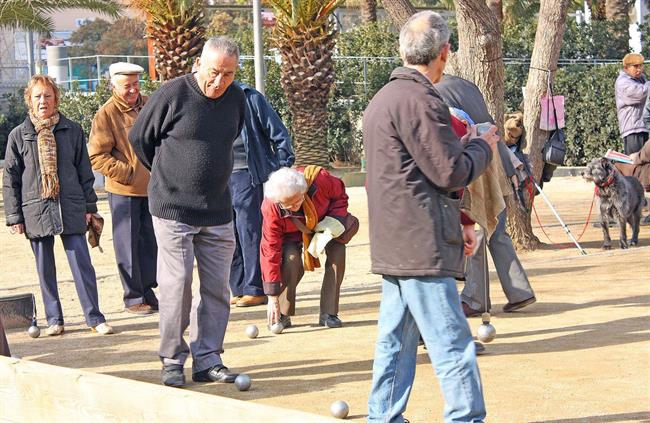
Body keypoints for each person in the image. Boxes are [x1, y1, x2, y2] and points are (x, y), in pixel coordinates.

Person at [363, 11, 498, 423]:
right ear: (444, 52)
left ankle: (383, 415)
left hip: (396, 239)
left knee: (397, 339)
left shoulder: (382, 99)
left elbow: (412, 176)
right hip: (420, 243)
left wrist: (459, 218)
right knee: (451, 341)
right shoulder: (421, 101)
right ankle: (465, 417)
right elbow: (450, 170)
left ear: (404, 51)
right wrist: (482, 145)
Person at [129, 36, 245, 388]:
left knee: (217, 290)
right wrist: (168, 177)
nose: (219, 81)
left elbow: (230, 137)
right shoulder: (172, 94)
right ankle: (172, 358)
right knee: (177, 285)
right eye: (213, 72)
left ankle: (208, 358)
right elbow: (140, 139)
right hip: (173, 209)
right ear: (198, 64)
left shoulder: (237, 99)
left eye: (227, 74)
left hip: (217, 211)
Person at [3, 75, 114, 336]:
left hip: (71, 206)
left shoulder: (72, 130)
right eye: (38, 96)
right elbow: (11, 178)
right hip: (35, 209)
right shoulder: (19, 135)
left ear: (56, 99)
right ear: (29, 100)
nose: (43, 101)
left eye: (48, 96)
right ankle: (55, 320)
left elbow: (84, 172)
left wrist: (90, 207)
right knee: (45, 268)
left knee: (82, 264)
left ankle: (95, 317)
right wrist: (14, 216)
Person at [435, 75, 536, 316]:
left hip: (474, 167)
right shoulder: (466, 85)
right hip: (498, 165)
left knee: (475, 234)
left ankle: (474, 298)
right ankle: (520, 292)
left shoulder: (432, 92)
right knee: (498, 232)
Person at [88, 62, 158, 315]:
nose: (132, 90)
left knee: (150, 244)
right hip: (124, 191)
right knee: (127, 246)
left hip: (154, 189)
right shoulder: (105, 115)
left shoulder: (150, 103)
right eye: (127, 86)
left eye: (136, 84)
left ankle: (147, 291)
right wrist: (128, 174)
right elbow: (96, 156)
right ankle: (133, 297)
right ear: (114, 86)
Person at [228, 82, 294, 308]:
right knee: (228, 234)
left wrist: (281, 167)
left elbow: (279, 134)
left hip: (247, 175)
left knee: (250, 231)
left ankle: (255, 288)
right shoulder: (206, 99)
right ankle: (237, 288)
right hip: (218, 177)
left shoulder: (250, 97)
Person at [261, 166, 351, 330]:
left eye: (297, 201)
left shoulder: (320, 180)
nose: (294, 207)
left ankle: (328, 313)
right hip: (291, 235)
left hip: (324, 222)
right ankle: (281, 313)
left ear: (304, 190)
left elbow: (340, 197)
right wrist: (272, 295)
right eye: (287, 205)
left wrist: (333, 221)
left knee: (338, 251)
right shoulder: (271, 206)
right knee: (291, 259)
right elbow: (270, 250)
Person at [615, 53, 650, 155]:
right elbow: (640, 93)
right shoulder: (623, 82)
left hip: (643, 127)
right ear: (626, 68)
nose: (639, 69)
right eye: (635, 66)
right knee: (635, 164)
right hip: (633, 129)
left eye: (641, 66)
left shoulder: (642, 79)